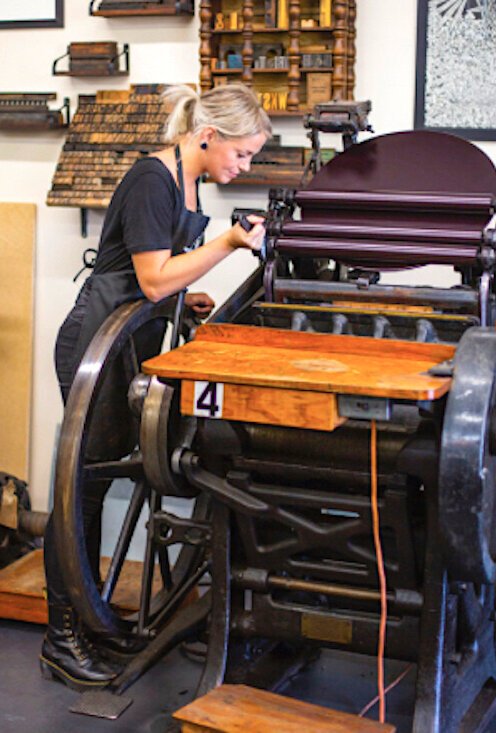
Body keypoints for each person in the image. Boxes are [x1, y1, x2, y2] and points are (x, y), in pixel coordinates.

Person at [40, 82, 272, 690]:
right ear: (208, 135)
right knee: (79, 489)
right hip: (96, 342)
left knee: (92, 482)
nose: (242, 166)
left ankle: (88, 623)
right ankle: (62, 637)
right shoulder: (152, 179)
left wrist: (187, 293)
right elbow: (149, 279)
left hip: (129, 342)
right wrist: (225, 243)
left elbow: (165, 275)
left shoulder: (187, 181)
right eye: (241, 154)